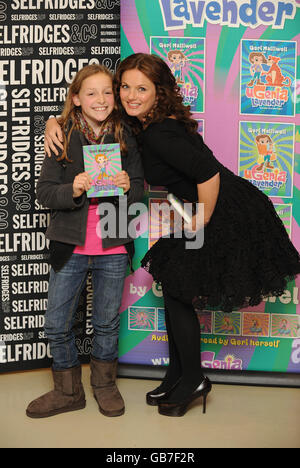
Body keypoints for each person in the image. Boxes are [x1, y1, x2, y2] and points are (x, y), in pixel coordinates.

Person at [44, 53, 300, 418]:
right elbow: (87, 115)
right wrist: (53, 121)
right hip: (212, 206)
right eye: (125, 87)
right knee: (175, 286)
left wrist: (204, 217)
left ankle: (192, 379)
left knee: (178, 288)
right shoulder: (143, 122)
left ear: (158, 91)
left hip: (226, 209)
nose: (131, 95)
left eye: (142, 88)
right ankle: (179, 374)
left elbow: (209, 174)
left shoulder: (160, 132)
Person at [26, 64, 144, 419]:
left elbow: (139, 191)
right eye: (91, 93)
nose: (101, 100)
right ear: (76, 98)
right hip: (70, 246)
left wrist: (127, 186)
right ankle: (67, 391)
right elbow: (44, 193)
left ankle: (105, 385)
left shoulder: (126, 135)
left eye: (108, 92)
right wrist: (73, 188)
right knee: (56, 324)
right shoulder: (61, 134)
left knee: (107, 322)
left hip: (112, 245)